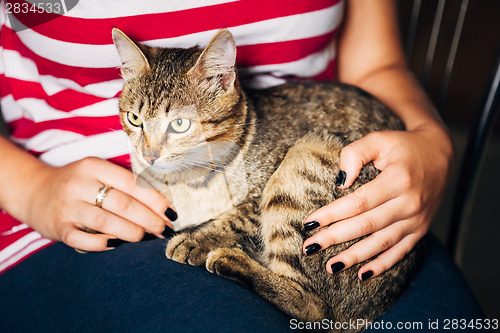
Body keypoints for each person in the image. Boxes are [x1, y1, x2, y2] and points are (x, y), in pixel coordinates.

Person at [1, 1, 482, 332]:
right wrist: (29, 189)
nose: (147, 147)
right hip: (67, 211)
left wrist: (433, 144)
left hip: (318, 171)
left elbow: (377, 65)